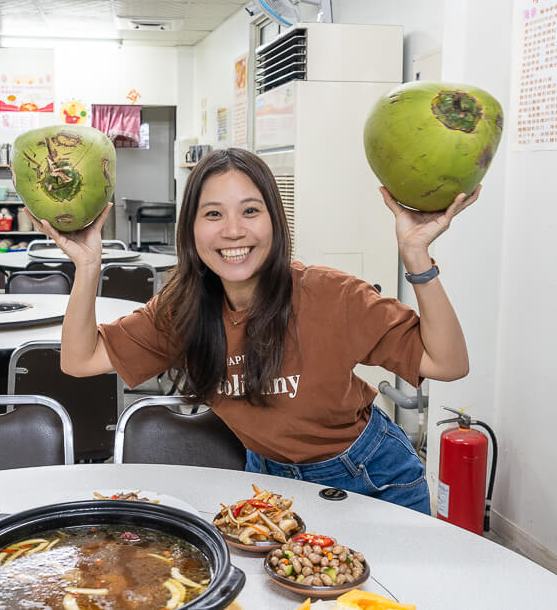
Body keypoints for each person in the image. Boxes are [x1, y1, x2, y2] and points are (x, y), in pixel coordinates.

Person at [25, 147, 478, 514]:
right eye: (214, 214)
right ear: (192, 229)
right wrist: (86, 265)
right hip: (269, 487)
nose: (234, 231)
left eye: (250, 210)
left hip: (374, 480)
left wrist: (416, 256)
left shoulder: (331, 294)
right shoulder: (183, 310)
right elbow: (79, 360)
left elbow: (448, 363)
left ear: (274, 221)